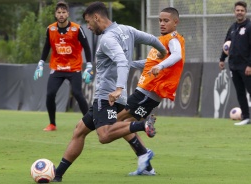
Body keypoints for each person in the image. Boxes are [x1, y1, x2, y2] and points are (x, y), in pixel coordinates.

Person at [53, 3, 184, 182]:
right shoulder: (126, 30)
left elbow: (122, 61)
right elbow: (153, 40)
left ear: (97, 17)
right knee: (80, 130)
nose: (89, 27)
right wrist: (162, 53)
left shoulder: (107, 39)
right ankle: (57, 174)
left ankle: (142, 126)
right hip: (116, 96)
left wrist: (119, 88)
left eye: (89, 22)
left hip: (107, 96)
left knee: (105, 135)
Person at [33, 1, 93, 131]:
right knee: (50, 94)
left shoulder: (76, 28)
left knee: (77, 93)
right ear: (55, 14)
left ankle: (90, 121)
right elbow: (46, 47)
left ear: (68, 14)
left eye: (63, 12)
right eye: (59, 12)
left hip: (74, 67)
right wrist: (40, 64)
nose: (61, 15)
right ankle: (52, 124)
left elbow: (86, 47)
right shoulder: (50, 29)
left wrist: (89, 66)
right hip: (57, 68)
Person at [219, 1, 251, 126]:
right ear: (234, 12)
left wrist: (249, 64)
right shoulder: (232, 28)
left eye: (242, 10)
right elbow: (226, 45)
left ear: (245, 12)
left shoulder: (249, 26)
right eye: (237, 10)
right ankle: (246, 117)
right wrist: (222, 59)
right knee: (240, 92)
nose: (239, 12)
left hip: (246, 66)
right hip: (233, 66)